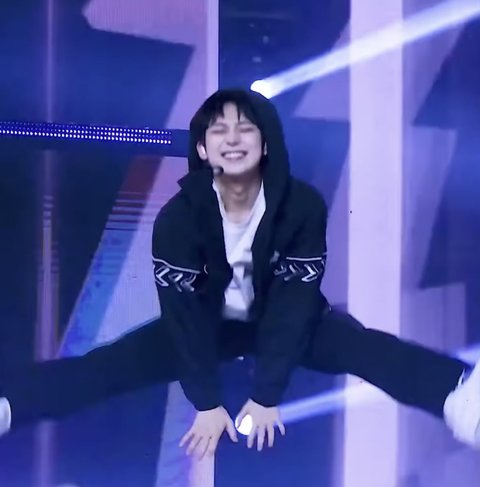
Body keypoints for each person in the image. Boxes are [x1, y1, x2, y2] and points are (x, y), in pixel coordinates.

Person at [0, 89, 479, 460]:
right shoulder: (179, 219)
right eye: (219, 131)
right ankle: (10, 403)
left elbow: (294, 301)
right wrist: (207, 403)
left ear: (265, 143)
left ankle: (460, 395)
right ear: (202, 148)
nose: (232, 139)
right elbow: (183, 315)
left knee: (361, 347)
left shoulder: (301, 205)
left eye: (245, 129)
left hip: (287, 316)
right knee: (110, 367)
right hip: (206, 324)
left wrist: (266, 394)